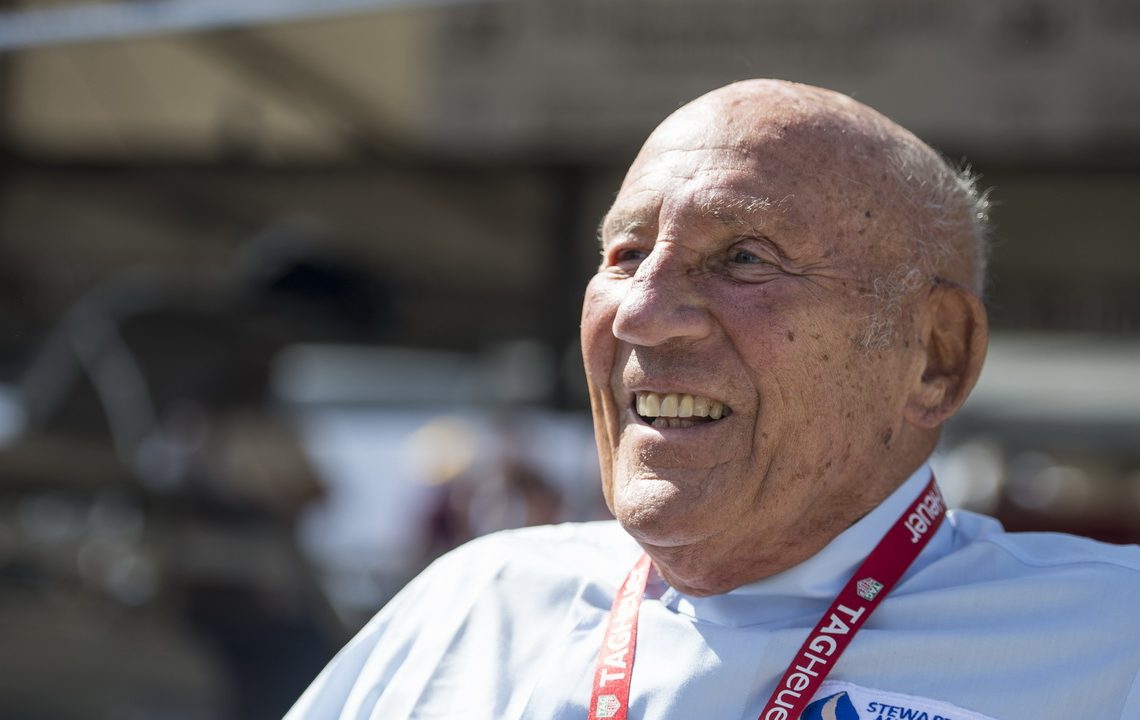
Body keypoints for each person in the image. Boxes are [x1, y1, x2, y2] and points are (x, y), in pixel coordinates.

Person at [284, 80, 1140, 719]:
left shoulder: (1110, 640)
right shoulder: (477, 608)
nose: (642, 314)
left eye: (745, 259)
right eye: (625, 256)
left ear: (937, 357)